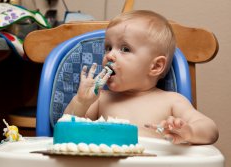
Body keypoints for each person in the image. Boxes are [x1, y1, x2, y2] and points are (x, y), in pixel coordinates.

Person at [64, 10, 219, 145]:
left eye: (125, 49)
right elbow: (65, 132)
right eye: (108, 48)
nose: (110, 55)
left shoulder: (172, 101)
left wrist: (188, 131)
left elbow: (210, 130)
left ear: (156, 66)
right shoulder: (99, 100)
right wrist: (80, 102)